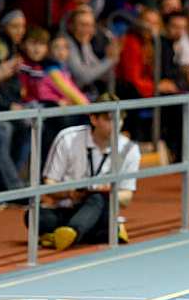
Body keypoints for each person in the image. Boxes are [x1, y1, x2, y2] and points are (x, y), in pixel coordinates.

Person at [26, 92, 138, 251]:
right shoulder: (67, 138)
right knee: (33, 217)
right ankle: (102, 233)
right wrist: (70, 193)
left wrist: (104, 191)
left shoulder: (129, 149)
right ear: (94, 119)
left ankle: (73, 232)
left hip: (101, 208)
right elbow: (49, 184)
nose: (116, 125)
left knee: (97, 199)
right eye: (108, 120)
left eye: (119, 119)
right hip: (68, 207)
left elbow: (126, 198)